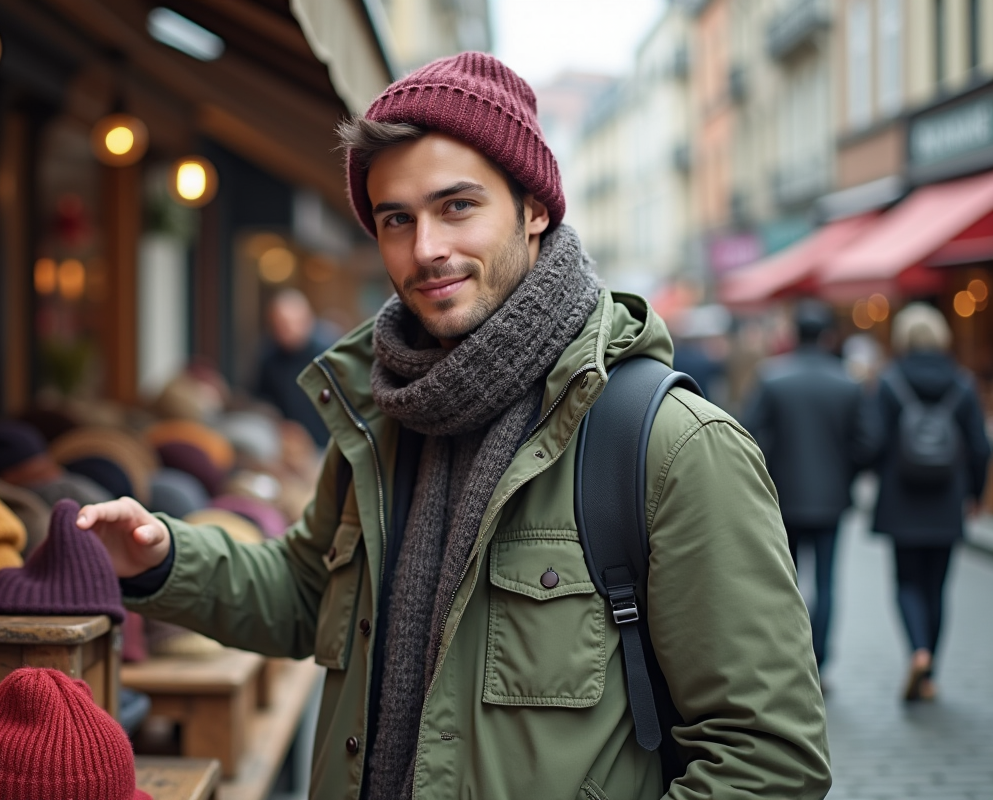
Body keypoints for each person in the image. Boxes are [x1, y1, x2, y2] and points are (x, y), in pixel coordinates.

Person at [78, 53, 830, 800]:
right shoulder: (381, 418)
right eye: (396, 219)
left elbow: (768, 757)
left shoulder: (669, 443)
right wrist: (164, 557)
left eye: (457, 206)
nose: (426, 248)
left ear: (534, 208)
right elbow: (313, 597)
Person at [860, 303, 990, 701]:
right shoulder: (963, 383)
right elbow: (981, 446)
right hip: (947, 497)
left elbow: (874, 442)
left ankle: (916, 651)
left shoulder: (890, 382)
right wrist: (973, 492)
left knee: (907, 582)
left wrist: (877, 474)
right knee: (937, 586)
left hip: (902, 498)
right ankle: (930, 669)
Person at [744, 300, 863, 672]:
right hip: (831, 498)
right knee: (826, 583)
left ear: (795, 335)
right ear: (828, 336)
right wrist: (846, 474)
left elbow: (746, 434)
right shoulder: (848, 383)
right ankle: (821, 661)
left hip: (784, 497)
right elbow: (866, 442)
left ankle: (791, 659)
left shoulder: (773, 377)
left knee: (786, 581)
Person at [255, 289, 337, 448]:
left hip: (326, 443)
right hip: (286, 445)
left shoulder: (328, 354)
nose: (286, 330)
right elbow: (262, 398)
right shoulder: (269, 357)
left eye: (292, 322)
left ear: (307, 320)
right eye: (280, 324)